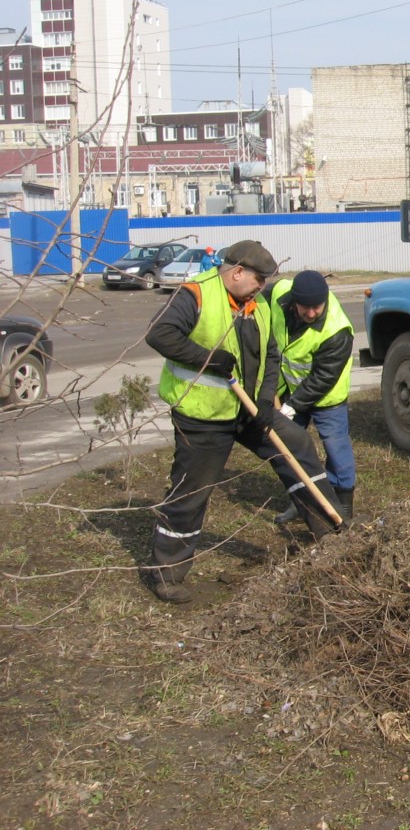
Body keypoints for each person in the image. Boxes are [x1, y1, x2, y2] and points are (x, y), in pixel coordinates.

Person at [143, 240, 347, 605]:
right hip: (203, 415)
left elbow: (270, 353)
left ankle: (329, 533)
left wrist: (267, 400)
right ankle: (166, 573)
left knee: (297, 446)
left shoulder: (259, 305)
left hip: (249, 410)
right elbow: (159, 334)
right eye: (258, 280)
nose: (262, 287)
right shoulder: (197, 295)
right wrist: (207, 358)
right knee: (192, 490)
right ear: (237, 272)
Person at [265, 270, 357, 523]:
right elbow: (259, 303)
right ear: (294, 301)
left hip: (327, 397)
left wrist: (291, 407)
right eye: (305, 307)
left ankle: (343, 507)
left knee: (336, 449)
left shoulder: (337, 329)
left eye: (317, 307)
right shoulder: (277, 294)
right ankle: (301, 500)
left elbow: (323, 377)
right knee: (290, 449)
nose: (312, 313)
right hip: (289, 391)